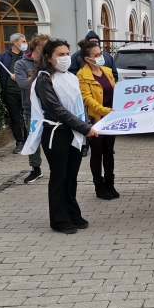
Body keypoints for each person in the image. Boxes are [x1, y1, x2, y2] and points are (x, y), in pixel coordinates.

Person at [23, 38, 98, 234]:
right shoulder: (43, 79)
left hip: (74, 132)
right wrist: (84, 128)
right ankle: (59, 219)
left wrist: (87, 125)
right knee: (59, 176)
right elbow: (57, 110)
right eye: (60, 55)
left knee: (71, 176)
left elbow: (78, 106)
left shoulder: (71, 77)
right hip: (56, 133)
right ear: (49, 57)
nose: (65, 58)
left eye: (67, 53)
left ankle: (72, 212)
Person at [78, 41, 120, 200]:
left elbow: (114, 91)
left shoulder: (107, 71)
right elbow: (87, 98)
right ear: (88, 59)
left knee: (109, 151)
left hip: (111, 117)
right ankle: (99, 186)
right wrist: (104, 110)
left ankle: (110, 183)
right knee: (97, 152)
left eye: (100, 53)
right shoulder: (82, 75)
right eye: (96, 55)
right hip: (96, 119)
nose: (100, 56)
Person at [15, 34, 50, 184]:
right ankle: (36, 169)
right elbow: (23, 84)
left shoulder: (49, 62)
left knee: (52, 140)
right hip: (31, 109)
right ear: (39, 48)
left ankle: (57, 167)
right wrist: (40, 79)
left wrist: (32, 79)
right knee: (33, 139)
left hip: (50, 108)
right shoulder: (21, 64)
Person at [0, 33, 28, 154]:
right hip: (10, 93)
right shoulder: (2, 57)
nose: (25, 44)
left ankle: (28, 141)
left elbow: (33, 73)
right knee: (15, 118)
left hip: (24, 92)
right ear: (15, 43)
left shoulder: (26, 58)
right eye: (23, 41)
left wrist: (20, 77)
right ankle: (19, 142)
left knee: (26, 117)